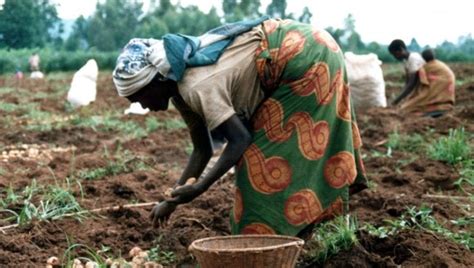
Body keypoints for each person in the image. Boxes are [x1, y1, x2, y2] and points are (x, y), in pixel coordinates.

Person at [113, 17, 367, 237]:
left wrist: (201, 187)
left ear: (155, 80)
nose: (143, 107)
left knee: (259, 167)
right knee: (270, 161)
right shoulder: (179, 88)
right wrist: (171, 201)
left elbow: (239, 139)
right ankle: (296, 235)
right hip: (307, 47)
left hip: (303, 57)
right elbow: (202, 149)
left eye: (139, 98)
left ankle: (269, 244)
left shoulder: (195, 85)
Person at [388, 40, 455, 117]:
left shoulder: (413, 59)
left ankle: (437, 110)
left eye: (395, 54)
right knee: (407, 105)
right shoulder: (407, 61)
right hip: (426, 85)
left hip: (437, 81)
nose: (395, 57)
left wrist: (396, 101)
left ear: (401, 49)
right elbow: (407, 82)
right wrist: (402, 99)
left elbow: (411, 85)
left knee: (408, 109)